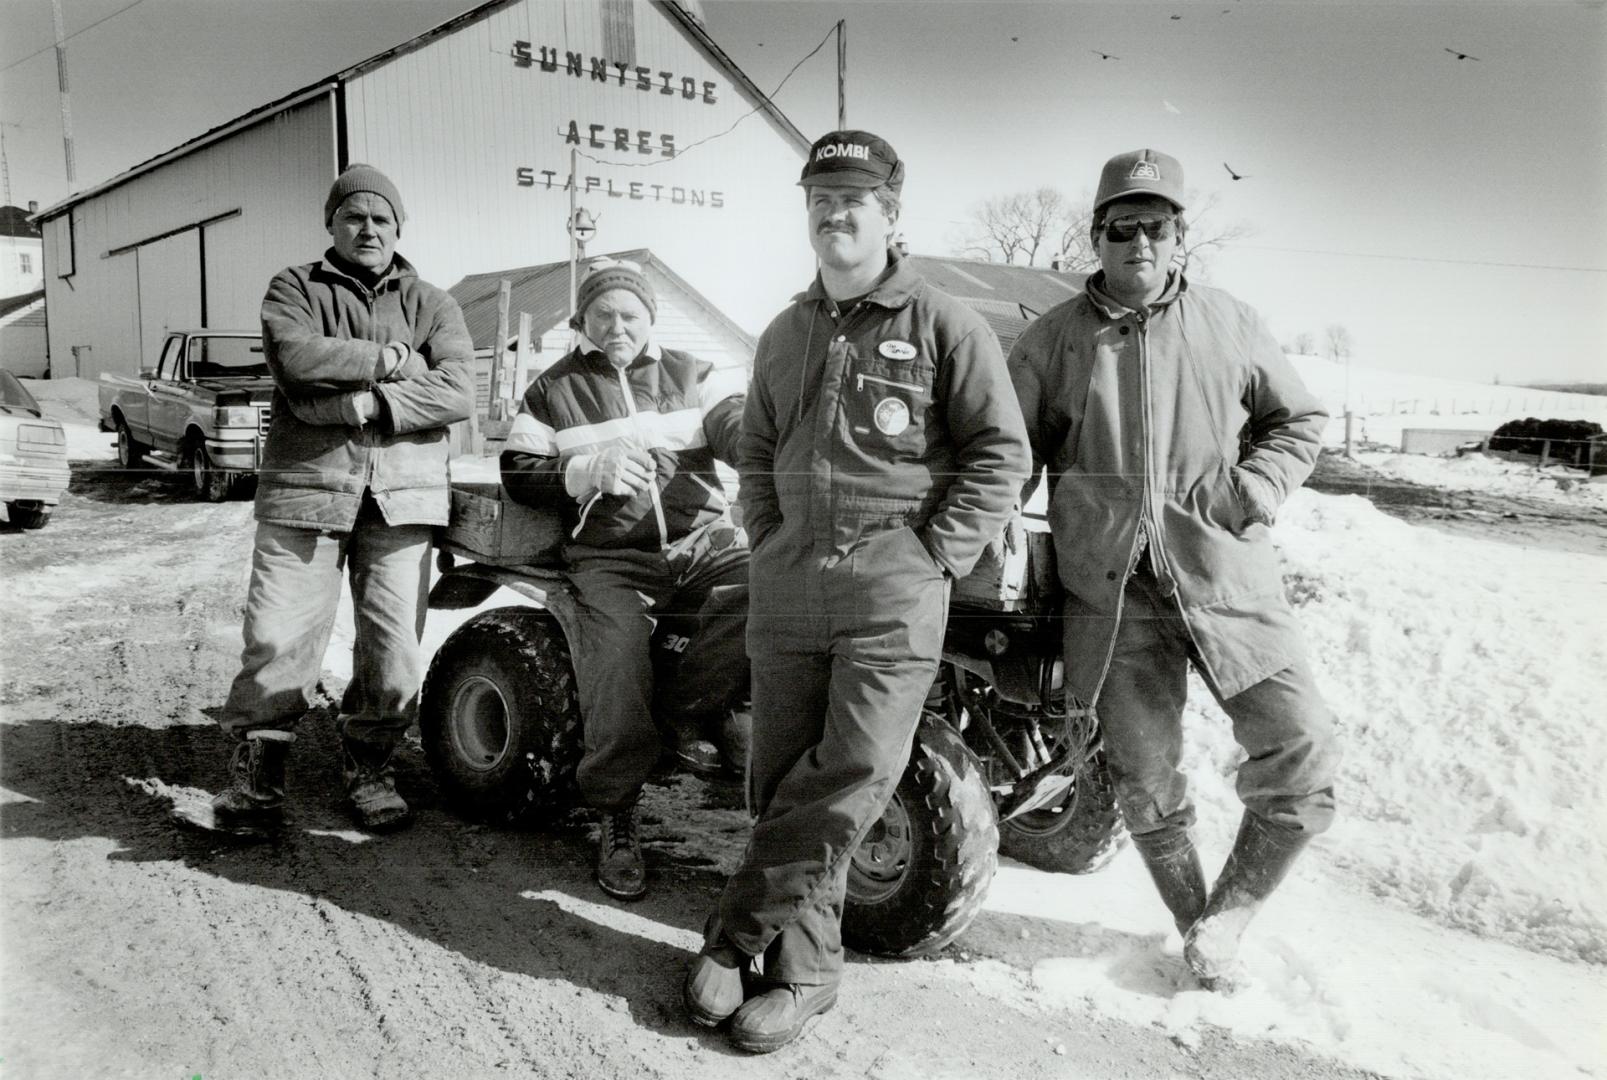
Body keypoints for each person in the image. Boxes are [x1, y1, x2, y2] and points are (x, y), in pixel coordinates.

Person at [682, 130, 1031, 1053]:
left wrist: (931, 555)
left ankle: (733, 939)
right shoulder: (784, 332)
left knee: (852, 774)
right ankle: (803, 975)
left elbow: (1001, 455)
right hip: (789, 579)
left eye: (855, 198)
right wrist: (765, 535)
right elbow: (755, 449)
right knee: (780, 774)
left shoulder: (946, 324)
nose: (835, 213)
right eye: (820, 199)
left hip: (890, 583)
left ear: (890, 213)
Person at [1006, 149, 1341, 992]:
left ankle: (1227, 914)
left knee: (1301, 750)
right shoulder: (1052, 341)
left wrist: (1252, 488)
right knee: (1143, 780)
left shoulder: (1229, 321)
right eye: (1123, 227)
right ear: (1097, 236)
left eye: (1157, 225)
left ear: (1179, 236)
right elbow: (1003, 458)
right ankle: (1201, 930)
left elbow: (1296, 419)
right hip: (1112, 598)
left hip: (1224, 577)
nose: (1140, 242)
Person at [210, 163, 476, 834]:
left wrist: (361, 402)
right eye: (354, 216)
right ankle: (258, 781)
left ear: (398, 228)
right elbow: (296, 360)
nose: (368, 228)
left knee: (394, 651)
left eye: (381, 218)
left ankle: (370, 766)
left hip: (402, 501)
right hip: (306, 493)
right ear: (330, 223)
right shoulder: (293, 287)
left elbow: (457, 391)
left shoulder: (434, 303)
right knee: (277, 639)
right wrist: (390, 361)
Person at [500, 257, 751, 903]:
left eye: (630, 314)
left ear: (650, 320)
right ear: (583, 319)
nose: (618, 326)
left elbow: (731, 425)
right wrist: (586, 471)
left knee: (770, 591)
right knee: (615, 662)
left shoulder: (690, 372)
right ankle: (616, 812)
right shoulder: (551, 388)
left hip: (704, 542)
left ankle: (683, 717)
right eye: (604, 314)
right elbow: (517, 470)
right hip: (612, 557)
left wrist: (760, 446)